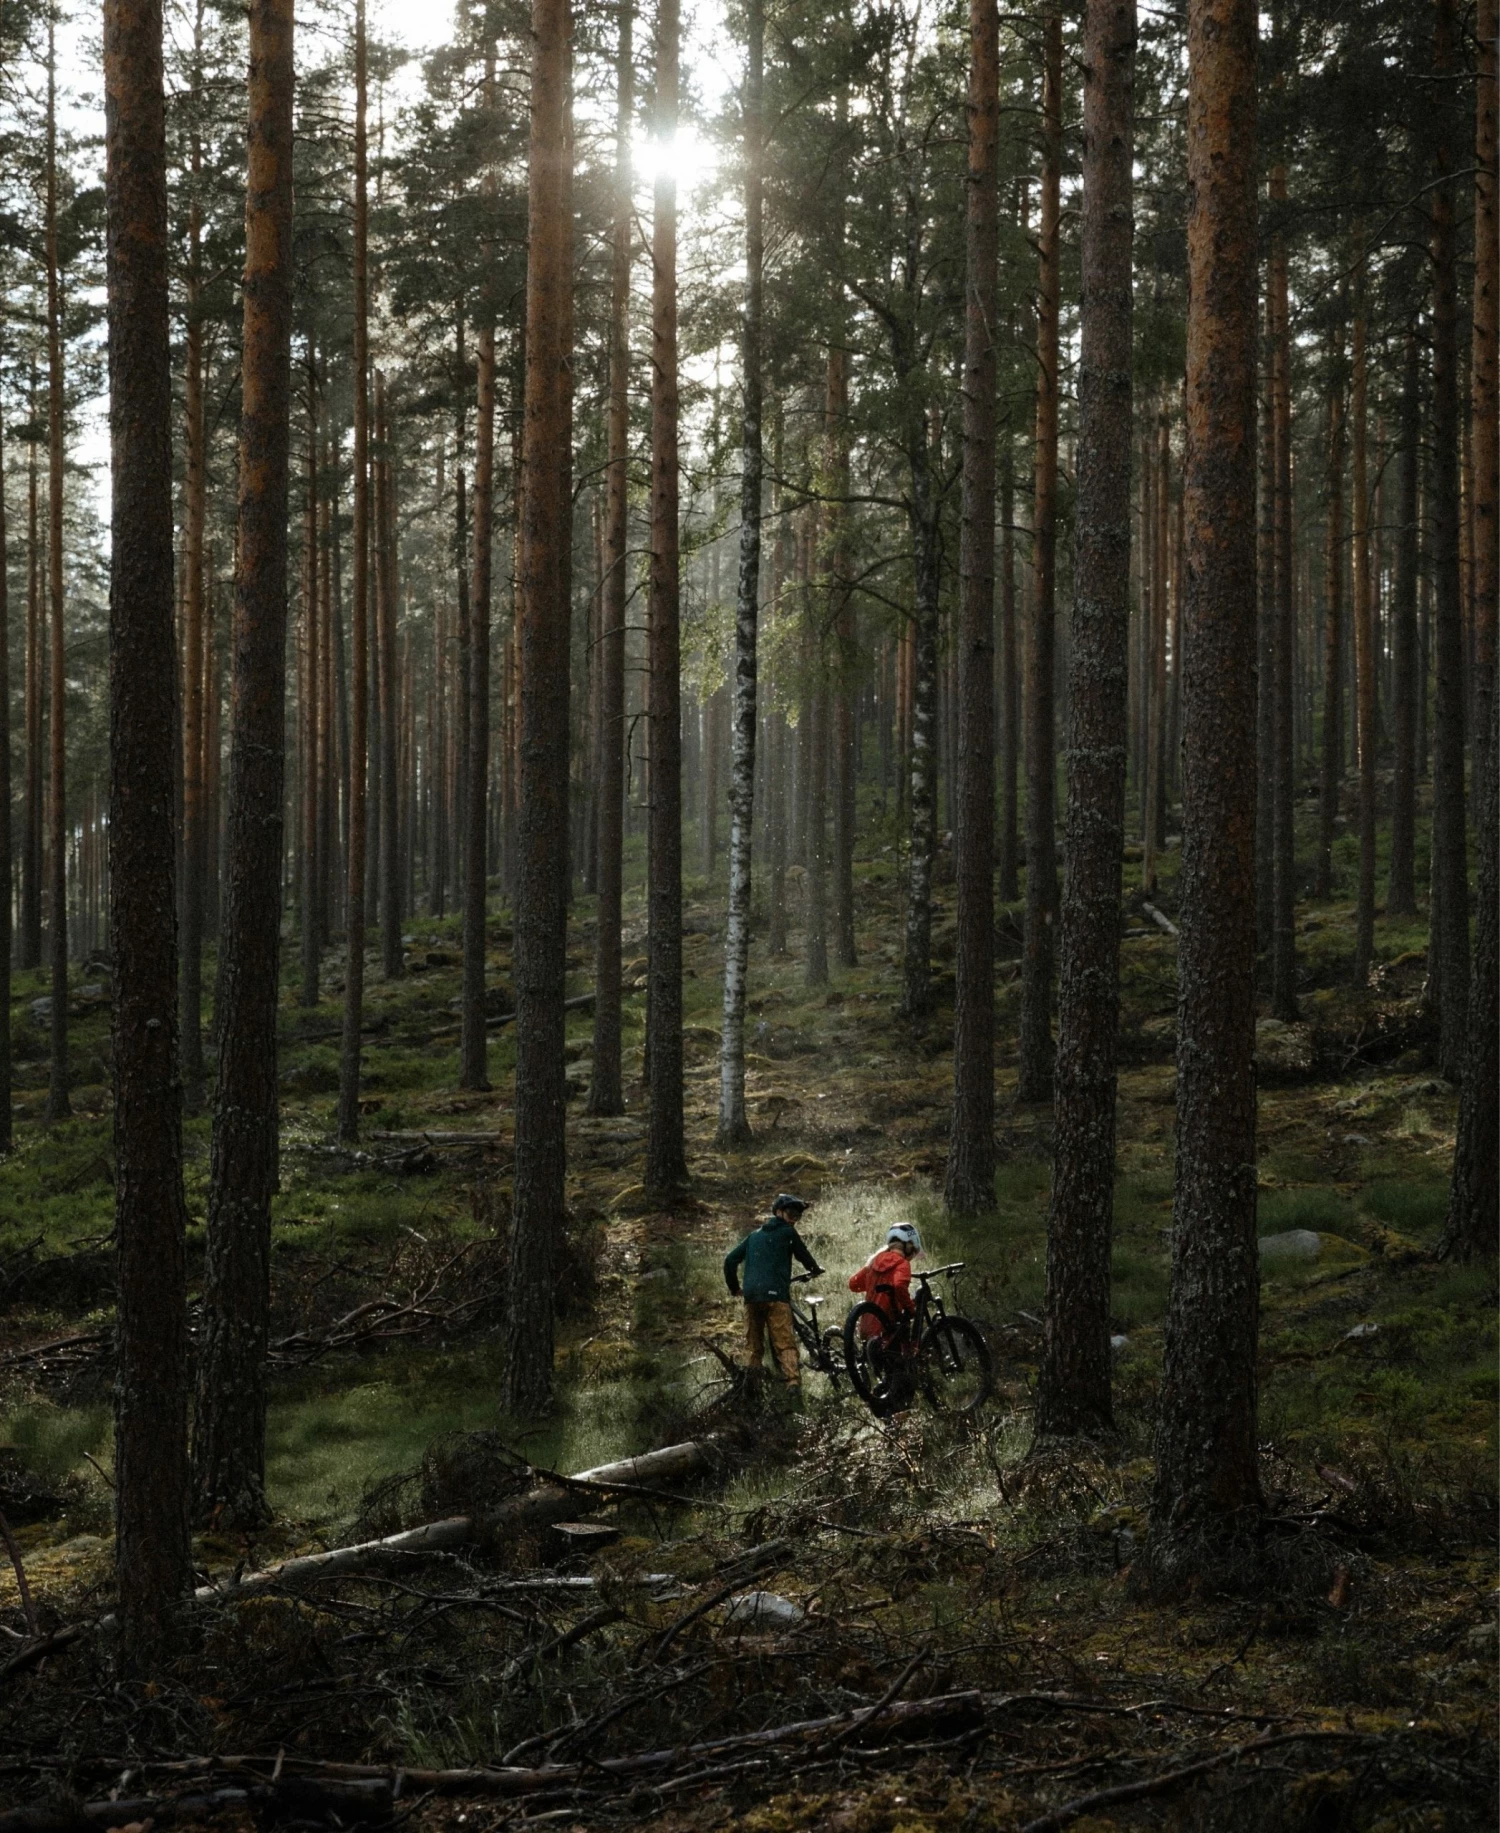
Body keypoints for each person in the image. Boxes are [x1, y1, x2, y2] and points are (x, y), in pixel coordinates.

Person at [724, 1193, 824, 1398]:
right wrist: (814, 1268)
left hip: (751, 1297)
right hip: (776, 1296)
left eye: (798, 1215)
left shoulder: (753, 1236)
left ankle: (753, 1388)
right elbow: (802, 1253)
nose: (794, 1219)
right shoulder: (788, 1232)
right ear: (779, 1212)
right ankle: (793, 1384)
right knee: (784, 1342)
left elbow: (729, 1261)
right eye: (791, 1213)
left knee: (753, 1346)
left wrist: (735, 1289)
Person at [848, 1222, 922, 1343]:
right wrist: (911, 1309)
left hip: (866, 1328)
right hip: (886, 1332)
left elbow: (853, 1284)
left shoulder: (874, 1261)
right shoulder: (902, 1264)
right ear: (907, 1244)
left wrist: (872, 1281)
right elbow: (899, 1286)